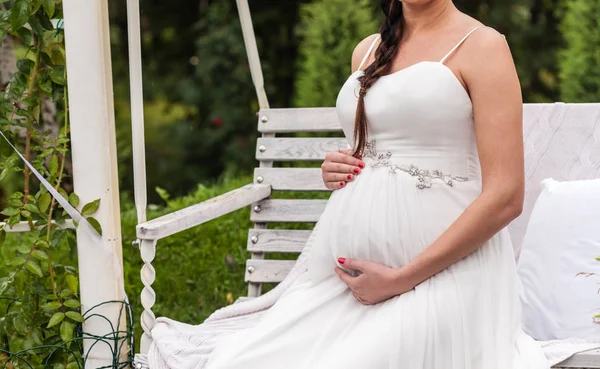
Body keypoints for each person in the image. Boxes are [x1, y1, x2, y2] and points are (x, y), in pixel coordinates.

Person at [205, 0, 550, 368]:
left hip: (448, 279)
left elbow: (506, 196)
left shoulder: (483, 46)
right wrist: (338, 165)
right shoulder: (367, 50)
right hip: (344, 286)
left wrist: (402, 279)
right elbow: (375, 149)